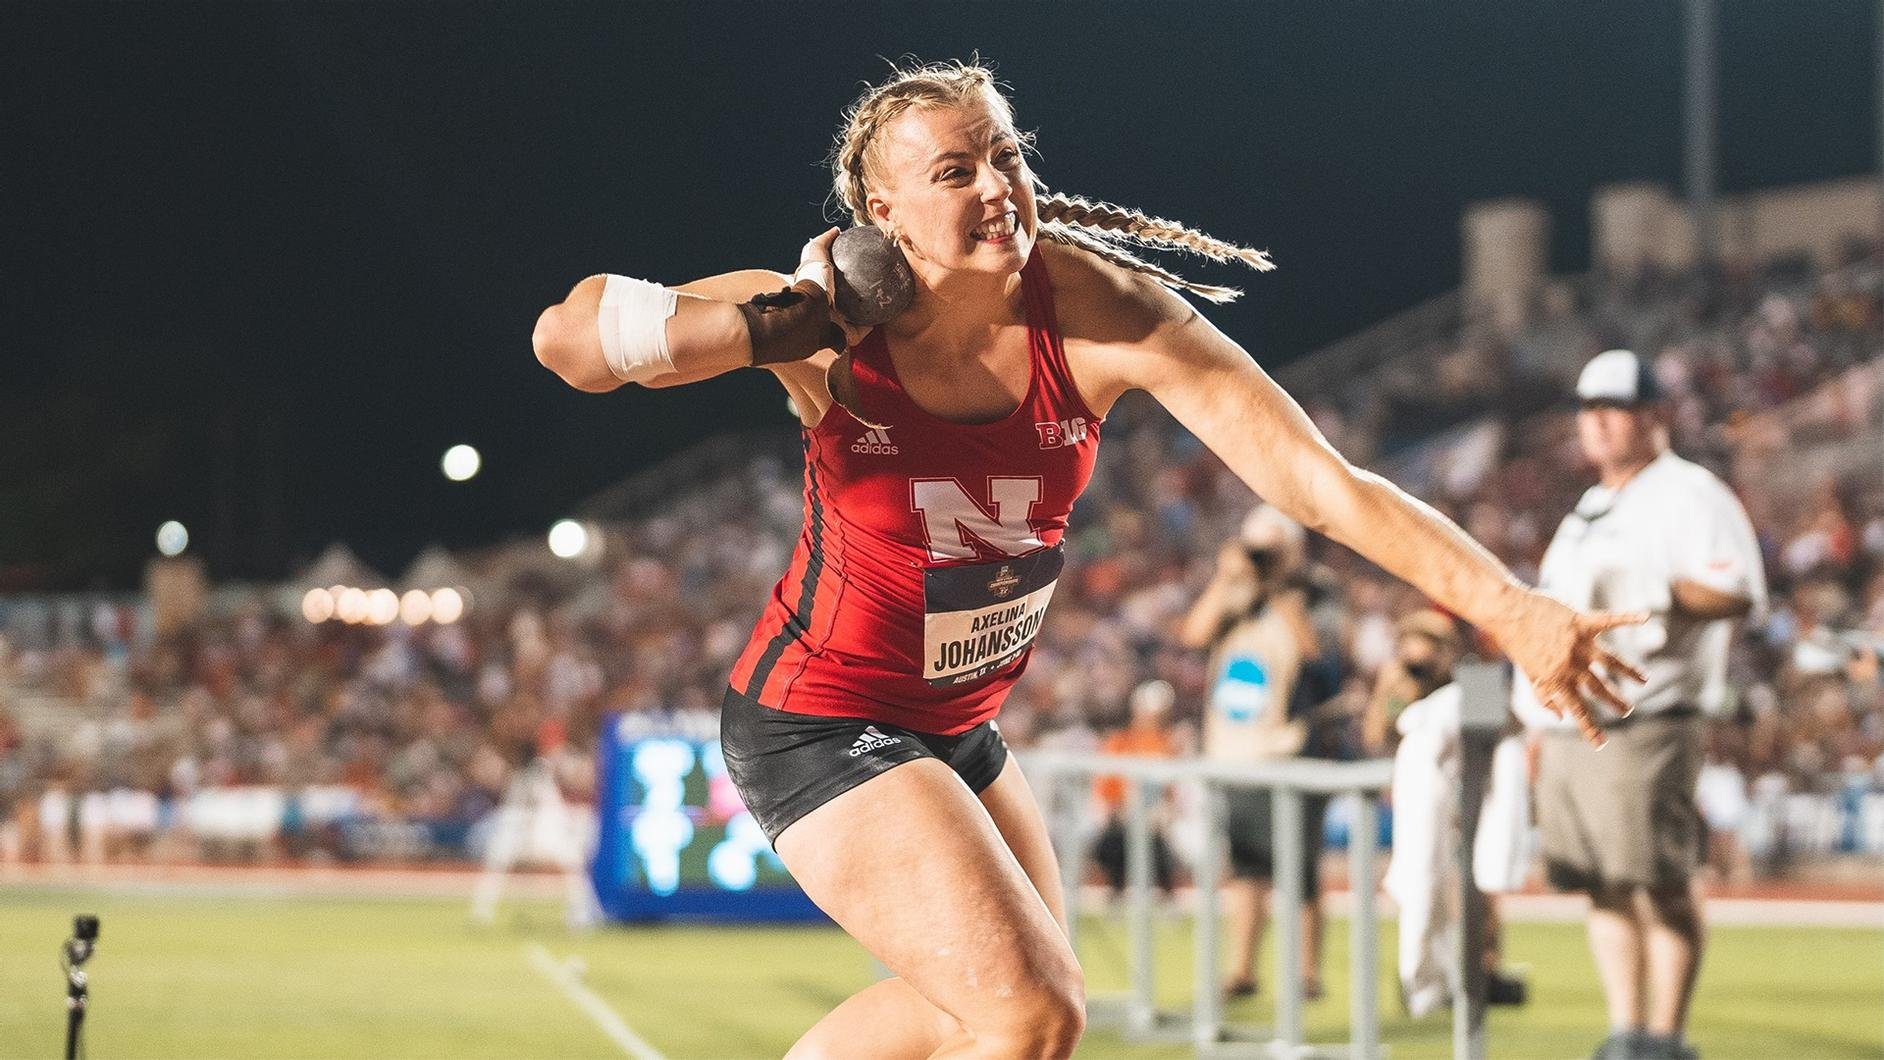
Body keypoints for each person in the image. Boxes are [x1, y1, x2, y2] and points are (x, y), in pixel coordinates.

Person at [533, 59, 1641, 1060]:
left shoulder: (1105, 313)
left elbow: (1321, 485)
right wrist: (779, 326)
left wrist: (1514, 608)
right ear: (885, 213)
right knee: (1030, 1011)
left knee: (1022, 1022)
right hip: (817, 716)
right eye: (954, 170)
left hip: (956, 726)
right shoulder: (825, 325)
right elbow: (570, 341)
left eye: (1005, 155)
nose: (995, 186)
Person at [1514, 349, 1767, 1060]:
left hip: (1650, 715)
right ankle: (1627, 1029)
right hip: (1576, 717)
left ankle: (1667, 1034)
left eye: (1612, 406)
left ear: (1656, 415)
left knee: (1660, 877)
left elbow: (1736, 589)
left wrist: (1653, 586)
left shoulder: (1690, 493)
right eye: (1586, 408)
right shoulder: (1591, 505)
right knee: (1601, 883)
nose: (1594, 421)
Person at [1178, 505, 1330, 1000]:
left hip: (1288, 751)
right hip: (1234, 753)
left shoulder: (1315, 595)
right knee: (1246, 869)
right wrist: (1227, 579)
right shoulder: (1234, 598)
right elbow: (1192, 635)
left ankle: (1307, 975)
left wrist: (1285, 597)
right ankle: (1241, 970)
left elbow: (1325, 665)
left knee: (1300, 870)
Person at [1371, 609, 1528, 1015]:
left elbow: (1503, 731)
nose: (1418, 660)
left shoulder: (1473, 678)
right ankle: (1424, 975)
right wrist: (1390, 694)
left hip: (1471, 795)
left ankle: (1483, 970)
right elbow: (1376, 737)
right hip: (1418, 801)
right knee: (1423, 885)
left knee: (1480, 887)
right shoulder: (1399, 683)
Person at [1089, 679, 1180, 898]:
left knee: (1161, 846)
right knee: (1113, 842)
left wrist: (1162, 815)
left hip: (1157, 821)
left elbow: (1172, 796)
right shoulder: (1120, 743)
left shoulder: (1169, 744)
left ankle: (1166, 896)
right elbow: (1105, 793)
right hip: (1122, 817)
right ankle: (1117, 891)